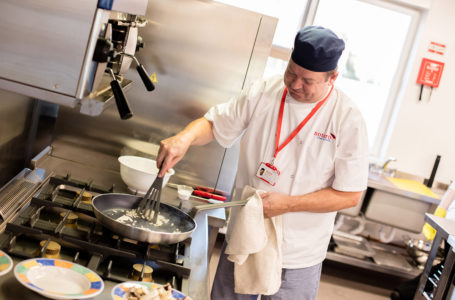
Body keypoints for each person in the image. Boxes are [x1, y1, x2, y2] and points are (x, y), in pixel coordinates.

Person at [156, 25, 369, 300]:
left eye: (307, 80)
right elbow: (215, 123)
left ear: (333, 78)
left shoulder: (347, 119)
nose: (294, 84)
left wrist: (289, 204)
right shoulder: (265, 91)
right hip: (244, 237)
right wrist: (183, 138)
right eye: (291, 72)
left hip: (298, 253)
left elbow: (350, 195)